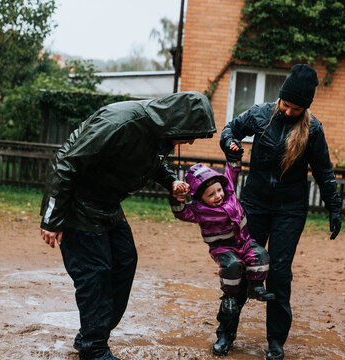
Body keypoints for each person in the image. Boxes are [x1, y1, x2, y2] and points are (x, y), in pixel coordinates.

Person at [39, 91, 215, 360]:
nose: (191, 141)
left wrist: (170, 181)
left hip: (108, 205)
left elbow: (149, 161)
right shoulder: (119, 122)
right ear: (179, 121)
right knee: (94, 275)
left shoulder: (160, 133)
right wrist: (52, 218)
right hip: (77, 205)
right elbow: (66, 163)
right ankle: (94, 349)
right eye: (192, 134)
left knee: (124, 261)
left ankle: (91, 334)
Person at [218, 64, 342, 360]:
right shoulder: (261, 114)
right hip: (255, 205)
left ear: (305, 107)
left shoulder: (313, 130)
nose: (287, 112)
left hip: (290, 210)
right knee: (243, 268)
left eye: (295, 108)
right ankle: (225, 333)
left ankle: (275, 342)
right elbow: (230, 129)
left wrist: (334, 207)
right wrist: (230, 144)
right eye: (285, 105)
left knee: (279, 274)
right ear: (280, 98)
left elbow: (324, 172)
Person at [169, 161, 275, 355]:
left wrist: (233, 156)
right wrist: (176, 199)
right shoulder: (199, 210)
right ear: (200, 197)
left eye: (219, 191)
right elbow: (181, 213)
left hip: (244, 242)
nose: (218, 196)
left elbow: (231, 172)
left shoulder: (230, 194)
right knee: (233, 266)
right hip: (223, 249)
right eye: (210, 195)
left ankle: (256, 286)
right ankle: (229, 296)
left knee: (260, 254)